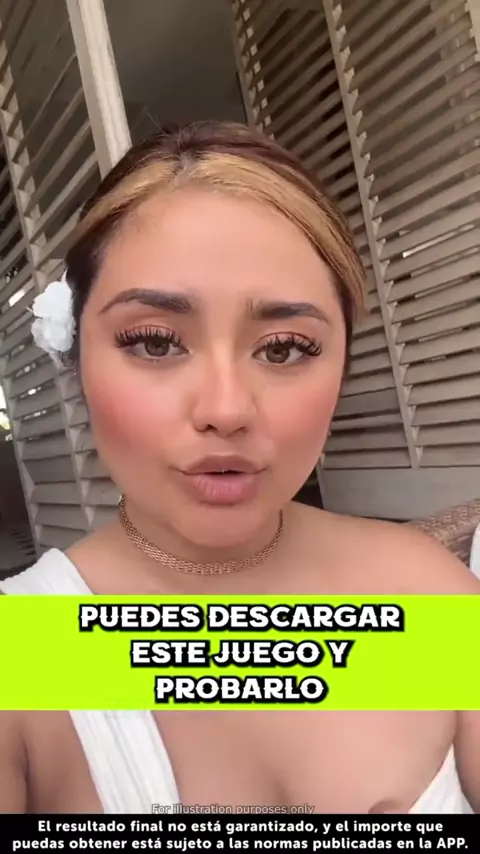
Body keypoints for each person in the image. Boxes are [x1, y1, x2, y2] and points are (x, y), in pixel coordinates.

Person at [0, 121, 478, 815]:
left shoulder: (427, 592)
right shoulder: (18, 658)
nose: (225, 409)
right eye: (155, 342)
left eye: (283, 349)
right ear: (77, 359)